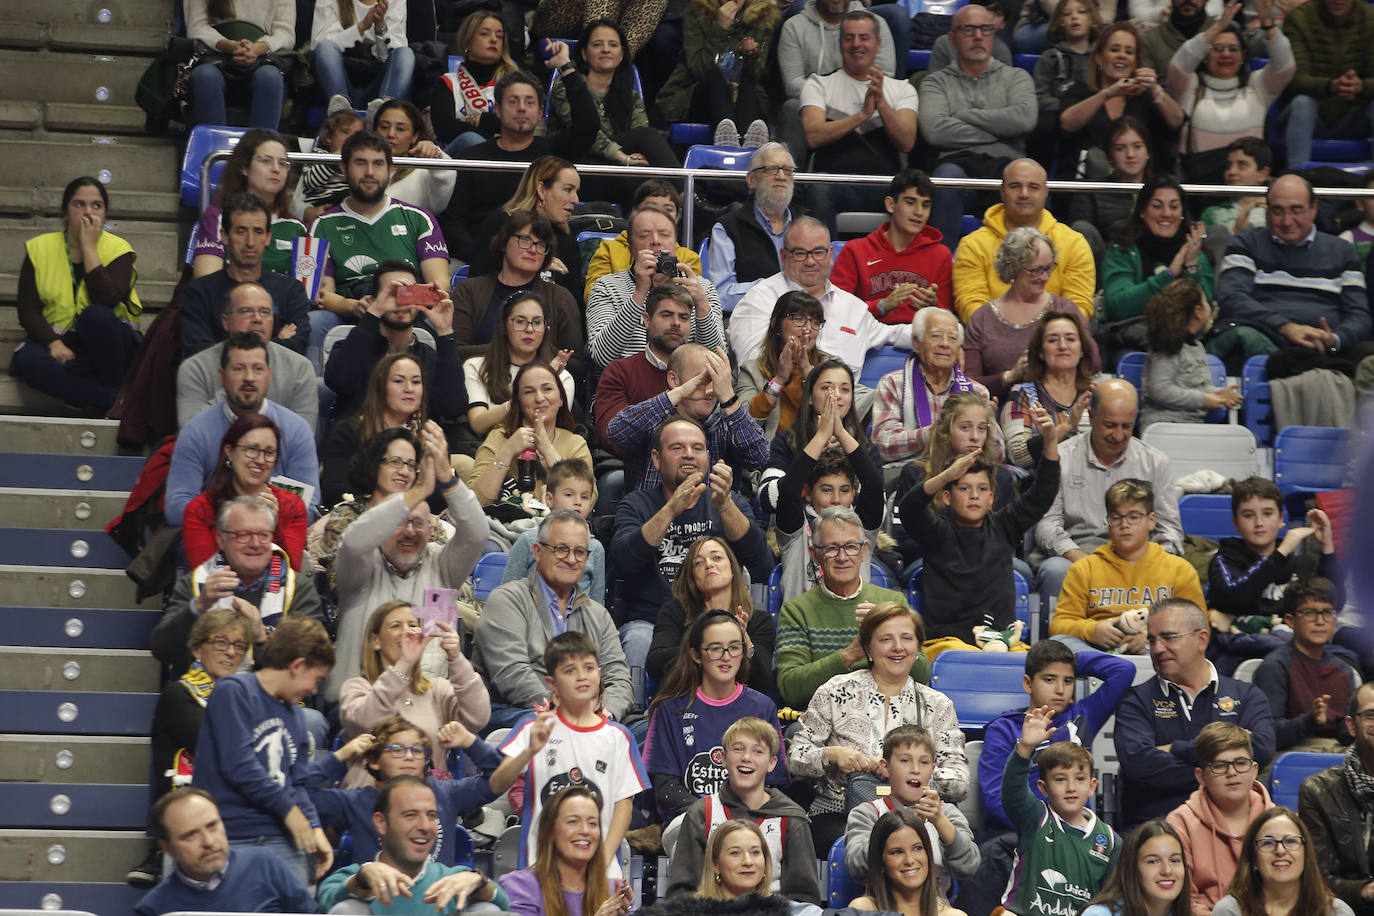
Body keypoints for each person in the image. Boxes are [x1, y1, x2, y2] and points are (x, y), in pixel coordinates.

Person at [788, 601, 967, 848]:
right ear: (868, 648)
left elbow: (959, 781)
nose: (897, 648)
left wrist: (904, 774)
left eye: (906, 638)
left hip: (915, 814)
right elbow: (795, 757)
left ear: (917, 647)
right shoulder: (834, 691)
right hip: (840, 812)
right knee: (859, 842)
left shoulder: (938, 705)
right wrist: (831, 755)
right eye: (885, 640)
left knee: (914, 841)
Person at [329, 421, 487, 700]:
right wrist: (419, 491)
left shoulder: (442, 565)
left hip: (427, 706)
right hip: (362, 704)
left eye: (419, 524)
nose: (410, 531)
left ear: (431, 529)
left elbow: (477, 532)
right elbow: (353, 542)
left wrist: (447, 479)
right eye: (401, 522)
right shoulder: (362, 564)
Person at [610, 416, 772, 681]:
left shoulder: (729, 502)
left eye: (697, 448)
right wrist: (672, 507)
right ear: (656, 459)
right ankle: (637, 719)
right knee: (639, 639)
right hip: (654, 622)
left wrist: (725, 506)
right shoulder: (635, 504)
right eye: (677, 448)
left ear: (708, 457)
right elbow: (624, 561)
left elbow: (762, 565)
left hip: (722, 621)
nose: (689, 455)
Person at [900, 402, 1061, 656]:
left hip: (1001, 642)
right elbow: (909, 508)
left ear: (991, 498)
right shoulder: (936, 532)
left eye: (982, 489)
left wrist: (1050, 441)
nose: (974, 495)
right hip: (946, 644)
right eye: (964, 488)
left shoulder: (1004, 526)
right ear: (946, 497)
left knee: (1034, 664)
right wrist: (944, 475)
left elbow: (1043, 494)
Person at [192, 617, 334, 886]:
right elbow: (239, 765)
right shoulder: (234, 691)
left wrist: (314, 827)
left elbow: (299, 784)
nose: (314, 690)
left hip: (284, 839)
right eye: (316, 679)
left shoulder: (297, 717)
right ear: (298, 665)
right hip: (231, 836)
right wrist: (289, 811)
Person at [309, 714, 550, 868]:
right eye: (396, 750)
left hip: (436, 901)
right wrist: (341, 755)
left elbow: (498, 779)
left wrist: (470, 742)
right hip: (376, 899)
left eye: (417, 751)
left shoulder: (444, 793)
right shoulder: (355, 800)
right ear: (373, 761)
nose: (408, 757)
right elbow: (303, 795)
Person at [498, 632, 649, 874]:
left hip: (601, 874)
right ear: (552, 683)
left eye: (588, 667)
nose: (581, 676)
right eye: (570, 670)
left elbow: (624, 807)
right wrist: (528, 752)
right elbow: (497, 783)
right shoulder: (532, 728)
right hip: (539, 871)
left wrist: (602, 862)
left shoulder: (618, 737)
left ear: (599, 674)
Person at [1115, 598, 1276, 825]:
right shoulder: (1136, 700)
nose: (1158, 648)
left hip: (1234, 827)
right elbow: (1140, 765)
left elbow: (1261, 748)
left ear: (1202, 639)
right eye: (1152, 640)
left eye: (1169, 638)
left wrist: (1176, 749)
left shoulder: (1246, 696)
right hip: (1159, 829)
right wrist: (1226, 766)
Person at [130, 609, 257, 887]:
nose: (231, 653)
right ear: (198, 650)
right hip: (188, 822)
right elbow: (219, 748)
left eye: (239, 646)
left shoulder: (246, 699)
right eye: (220, 642)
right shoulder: (179, 694)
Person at [1032, 378, 1185, 607]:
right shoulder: (1062, 457)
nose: (1119, 435)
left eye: (1127, 426)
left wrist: (1149, 560)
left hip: (1139, 556)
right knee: (1055, 570)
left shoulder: (1155, 462)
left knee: (1176, 570)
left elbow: (1170, 529)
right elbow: (1047, 525)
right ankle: (1060, 641)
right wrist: (1082, 560)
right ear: (1092, 417)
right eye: (1110, 425)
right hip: (1079, 553)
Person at [474, 511, 634, 728]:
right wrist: (567, 714)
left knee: (646, 729)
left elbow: (619, 678)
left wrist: (604, 713)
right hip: (521, 714)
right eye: (561, 549)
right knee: (541, 724)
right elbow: (512, 674)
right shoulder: (507, 600)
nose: (571, 559)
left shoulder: (598, 615)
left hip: (590, 718)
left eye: (579, 552)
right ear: (538, 552)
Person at [441, 64, 600, 265]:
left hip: (541, 255)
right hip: (478, 259)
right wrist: (490, 257)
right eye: (513, 101)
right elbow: (453, 224)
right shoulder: (471, 158)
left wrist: (567, 69)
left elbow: (589, 126)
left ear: (541, 111)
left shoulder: (553, 153)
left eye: (529, 102)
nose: (522, 108)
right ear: (497, 110)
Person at [644, 610, 784, 836]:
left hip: (751, 822)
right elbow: (666, 790)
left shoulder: (763, 707)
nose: (726, 657)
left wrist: (738, 819)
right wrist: (714, 817)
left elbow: (773, 783)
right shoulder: (669, 711)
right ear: (697, 655)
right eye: (716, 649)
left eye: (734, 647)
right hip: (689, 822)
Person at [152, 494, 324, 678]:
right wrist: (198, 606)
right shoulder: (197, 584)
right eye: (244, 535)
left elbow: (313, 662)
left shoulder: (297, 588)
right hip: (202, 701)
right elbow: (162, 651)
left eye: (264, 535)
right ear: (220, 539)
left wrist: (263, 638)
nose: (256, 544)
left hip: (274, 702)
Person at [10, 175, 142, 412]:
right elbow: (28, 310)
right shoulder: (40, 249)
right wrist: (53, 343)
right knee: (26, 361)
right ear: (65, 212)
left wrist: (89, 247)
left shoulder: (120, 250)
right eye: (79, 204)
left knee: (95, 316)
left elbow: (108, 298)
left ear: (105, 214)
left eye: (96, 206)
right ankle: (114, 401)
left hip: (110, 344)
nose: (88, 212)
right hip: (63, 345)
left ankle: (97, 395)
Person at [165, 330, 322, 524]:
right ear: (222, 377)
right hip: (213, 537)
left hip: (277, 539)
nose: (249, 377)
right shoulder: (195, 431)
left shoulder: (296, 430)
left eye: (258, 369)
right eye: (239, 369)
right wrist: (235, 513)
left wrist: (273, 515)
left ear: (269, 375)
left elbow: (309, 506)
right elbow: (175, 506)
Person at [1216, 174, 1374, 362]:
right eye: (1278, 211)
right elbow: (1232, 297)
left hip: (1326, 347)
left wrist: (1334, 339)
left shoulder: (1342, 250)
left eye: (1296, 210)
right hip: (1265, 337)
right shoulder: (1245, 243)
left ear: (1313, 208)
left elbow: (1359, 315)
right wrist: (1285, 327)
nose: (1287, 221)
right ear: (1267, 210)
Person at [981, 640, 1135, 832]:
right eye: (1050, 679)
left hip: (1076, 835)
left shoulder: (1083, 715)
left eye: (1068, 680)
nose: (1061, 690)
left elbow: (1124, 670)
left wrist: (1072, 659)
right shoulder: (1003, 728)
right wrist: (1048, 828)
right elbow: (994, 799)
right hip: (1021, 835)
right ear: (1028, 684)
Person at [665, 717, 821, 903]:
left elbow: (804, 897)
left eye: (758, 751)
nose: (746, 757)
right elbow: (681, 892)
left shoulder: (791, 817)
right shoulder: (701, 813)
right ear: (723, 758)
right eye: (738, 749)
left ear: (772, 763)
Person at [337, 600, 490, 788]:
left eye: (412, 625)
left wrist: (456, 658)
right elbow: (366, 721)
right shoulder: (356, 688)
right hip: (370, 800)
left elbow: (477, 718)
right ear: (376, 641)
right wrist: (403, 665)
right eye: (396, 625)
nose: (407, 631)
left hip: (428, 800)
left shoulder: (436, 690)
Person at [774, 508, 916, 709]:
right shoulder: (797, 611)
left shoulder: (893, 602)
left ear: (863, 551)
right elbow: (791, 689)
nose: (842, 557)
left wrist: (892, 634)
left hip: (889, 716)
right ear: (815, 555)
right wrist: (851, 654)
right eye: (832, 548)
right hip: (824, 721)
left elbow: (922, 673)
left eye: (850, 546)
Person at [921, 4, 1038, 248]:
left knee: (1033, 182)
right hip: (957, 164)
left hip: (1008, 165)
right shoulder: (935, 83)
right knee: (946, 179)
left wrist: (963, 115)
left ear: (993, 34)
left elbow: (1024, 119)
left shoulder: (1017, 77)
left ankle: (1034, 266)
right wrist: (1001, 130)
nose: (978, 36)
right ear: (952, 39)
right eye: (968, 30)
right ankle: (941, 270)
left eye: (985, 29)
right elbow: (935, 131)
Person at [729, 217, 909, 374]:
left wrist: (933, 325)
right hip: (778, 405)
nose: (810, 261)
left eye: (818, 252)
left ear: (830, 255)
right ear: (784, 257)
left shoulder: (854, 308)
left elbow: (896, 334)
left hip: (844, 407)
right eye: (800, 253)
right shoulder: (759, 300)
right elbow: (752, 369)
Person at [1050, 479, 1207, 654]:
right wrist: (1093, 630)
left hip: (1155, 653)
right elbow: (1059, 624)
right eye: (1116, 517)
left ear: (1151, 520)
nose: (1124, 525)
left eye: (1134, 517)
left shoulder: (1179, 570)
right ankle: (1110, 667)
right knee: (1059, 642)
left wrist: (1152, 639)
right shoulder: (1085, 568)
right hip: (1099, 652)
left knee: (1178, 648)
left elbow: (1198, 626)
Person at [310, 130, 452, 324]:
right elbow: (318, 294)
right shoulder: (321, 225)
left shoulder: (419, 218)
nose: (369, 172)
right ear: (343, 168)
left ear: (390, 169)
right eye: (360, 163)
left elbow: (441, 286)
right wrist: (351, 305)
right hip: (350, 315)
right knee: (315, 321)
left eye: (378, 163)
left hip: (408, 311)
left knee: (439, 317)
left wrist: (398, 301)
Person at [316, 775, 511, 914]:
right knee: (349, 909)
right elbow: (328, 900)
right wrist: (361, 880)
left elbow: (503, 901)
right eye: (410, 815)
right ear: (381, 822)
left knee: (487, 910)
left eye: (431, 816)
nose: (425, 826)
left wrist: (478, 883)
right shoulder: (354, 876)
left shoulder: (451, 880)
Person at [768, 371, 885, 603]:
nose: (835, 499)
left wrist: (840, 433)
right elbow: (788, 491)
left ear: (853, 493)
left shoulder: (862, 528)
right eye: (826, 490)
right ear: (808, 493)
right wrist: (821, 436)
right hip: (804, 630)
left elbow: (872, 485)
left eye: (844, 490)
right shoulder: (796, 533)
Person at [1000, 705, 1120, 915]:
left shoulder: (1110, 841)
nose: (1071, 787)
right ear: (1043, 788)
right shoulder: (1035, 818)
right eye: (1060, 779)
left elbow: (1114, 898)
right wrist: (1026, 748)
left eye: (1080, 779)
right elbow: (1012, 791)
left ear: (1092, 786)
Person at [799, 11, 917, 223]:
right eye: (849, 37)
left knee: (912, 196)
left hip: (885, 186)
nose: (856, 44)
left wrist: (881, 102)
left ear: (878, 44)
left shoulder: (902, 89)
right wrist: (862, 115)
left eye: (864, 37)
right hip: (834, 184)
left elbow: (907, 142)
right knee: (818, 191)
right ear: (840, 43)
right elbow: (813, 136)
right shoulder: (818, 84)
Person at [606, 341, 770, 493]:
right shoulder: (653, 417)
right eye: (703, 379)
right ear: (674, 379)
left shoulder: (728, 422)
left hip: (712, 521)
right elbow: (616, 433)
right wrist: (680, 392)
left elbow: (759, 457)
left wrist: (728, 397)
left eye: (715, 379)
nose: (710, 389)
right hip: (653, 519)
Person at [1209, 477, 1340, 667]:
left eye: (1268, 513)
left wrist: (1327, 547)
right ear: (1235, 522)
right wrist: (1280, 554)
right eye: (1248, 515)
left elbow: (1334, 604)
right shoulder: (1225, 560)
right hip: (1239, 652)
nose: (1259, 522)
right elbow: (1234, 597)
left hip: (1292, 651)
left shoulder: (1299, 564)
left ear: (1281, 519)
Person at [323, 260, 466, 430]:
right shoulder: (351, 348)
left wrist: (445, 331)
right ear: (373, 301)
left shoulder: (429, 357)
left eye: (409, 293)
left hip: (416, 449)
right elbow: (340, 381)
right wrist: (374, 313)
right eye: (393, 293)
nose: (401, 302)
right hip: (358, 446)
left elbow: (453, 408)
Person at [964, 226, 1100, 401]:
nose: (1045, 277)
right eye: (1036, 270)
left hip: (1063, 406)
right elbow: (968, 385)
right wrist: (1010, 376)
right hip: (1001, 409)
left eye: (1049, 268)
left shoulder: (1065, 309)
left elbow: (1094, 363)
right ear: (1013, 268)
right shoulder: (982, 318)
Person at [952, 158, 1096, 323]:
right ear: (1002, 191)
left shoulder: (1074, 243)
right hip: (993, 341)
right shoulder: (973, 245)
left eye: (1033, 187)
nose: (1024, 194)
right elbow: (970, 305)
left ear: (1045, 192)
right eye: (1015, 186)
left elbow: (1078, 306)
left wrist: (1042, 337)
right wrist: (1009, 333)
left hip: (1054, 341)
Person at [133, 788, 318, 916]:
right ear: (168, 848)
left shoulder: (264, 864)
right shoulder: (154, 908)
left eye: (212, 826)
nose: (208, 841)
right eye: (190, 835)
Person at [843, 725, 980, 894]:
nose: (915, 769)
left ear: (932, 770)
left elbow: (968, 867)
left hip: (934, 908)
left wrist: (940, 822)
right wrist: (904, 827)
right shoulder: (867, 813)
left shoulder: (947, 814)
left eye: (924, 762)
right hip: (883, 908)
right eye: (905, 760)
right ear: (886, 767)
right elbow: (858, 867)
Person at [1167, 2, 1292, 184]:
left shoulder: (1257, 85)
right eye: (1217, 48)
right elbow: (1179, 64)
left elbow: (1285, 65)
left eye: (1233, 49)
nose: (1226, 54)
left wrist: (1267, 24)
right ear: (1206, 54)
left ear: (1243, 56)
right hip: (1200, 185)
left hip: (1248, 188)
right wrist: (1218, 26)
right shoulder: (1190, 86)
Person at [452, 211, 584, 381]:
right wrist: (514, 348)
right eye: (525, 240)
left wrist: (539, 348)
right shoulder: (469, 290)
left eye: (541, 244)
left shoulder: (560, 297)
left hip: (541, 389)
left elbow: (575, 365)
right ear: (503, 243)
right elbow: (455, 353)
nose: (533, 250)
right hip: (481, 383)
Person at [587, 205, 725, 368]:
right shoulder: (606, 287)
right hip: (629, 386)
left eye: (665, 234)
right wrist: (639, 294)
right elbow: (602, 356)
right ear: (631, 248)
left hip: (687, 385)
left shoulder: (702, 289)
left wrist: (702, 307)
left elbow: (717, 359)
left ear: (675, 244)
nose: (656, 241)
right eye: (644, 235)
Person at [180, 193, 313, 359]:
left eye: (258, 232)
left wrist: (224, 343)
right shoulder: (198, 292)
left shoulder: (291, 290)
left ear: (268, 237)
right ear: (225, 236)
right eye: (241, 231)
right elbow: (199, 352)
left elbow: (298, 347)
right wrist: (276, 341)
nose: (250, 241)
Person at [1165, 722, 1275, 915]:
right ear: (1201, 776)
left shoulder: (1277, 822)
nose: (1232, 772)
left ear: (1254, 769)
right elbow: (1183, 900)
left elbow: (1291, 893)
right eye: (1219, 765)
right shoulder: (1180, 823)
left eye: (1241, 763)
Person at [176, 282, 317, 431]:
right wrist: (232, 389)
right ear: (226, 321)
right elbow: (189, 431)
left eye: (265, 312)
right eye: (246, 311)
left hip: (278, 454)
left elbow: (302, 436)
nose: (257, 319)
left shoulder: (300, 368)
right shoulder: (195, 368)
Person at [646, 536, 776, 696]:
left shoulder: (758, 620)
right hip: (685, 703)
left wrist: (743, 638)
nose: (709, 564)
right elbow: (655, 663)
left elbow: (761, 681)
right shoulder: (675, 611)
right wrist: (705, 642)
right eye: (698, 562)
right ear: (692, 576)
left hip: (741, 710)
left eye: (717, 557)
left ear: (732, 568)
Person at [181, 414, 308, 570]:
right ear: (229, 451)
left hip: (275, 593)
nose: (261, 460)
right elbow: (203, 575)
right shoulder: (200, 509)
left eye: (269, 453)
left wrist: (274, 526)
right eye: (252, 449)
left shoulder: (292, 506)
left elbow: (291, 574)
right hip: (217, 590)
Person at [548, 19, 678, 171]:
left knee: (645, 141)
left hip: (615, 165)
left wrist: (631, 158)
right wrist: (622, 157)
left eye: (613, 45)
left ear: (621, 54)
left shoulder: (631, 96)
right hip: (574, 161)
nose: (605, 49)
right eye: (597, 44)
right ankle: (687, 190)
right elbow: (585, 131)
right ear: (584, 53)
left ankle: (686, 192)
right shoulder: (568, 85)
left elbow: (639, 136)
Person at [1057, 24, 1184, 179]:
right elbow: (1066, 124)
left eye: (1129, 51)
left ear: (1136, 62)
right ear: (1098, 57)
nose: (1122, 55)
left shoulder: (1146, 98)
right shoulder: (1080, 91)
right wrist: (1107, 94)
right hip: (1082, 187)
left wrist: (1156, 89)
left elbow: (1177, 121)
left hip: (1138, 190)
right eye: (1114, 49)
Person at [830, 169, 953, 325]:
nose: (919, 212)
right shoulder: (855, 251)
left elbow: (947, 319)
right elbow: (837, 310)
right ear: (890, 204)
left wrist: (934, 307)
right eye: (910, 202)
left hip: (919, 340)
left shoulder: (940, 255)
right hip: (866, 334)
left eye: (926, 205)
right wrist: (882, 306)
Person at [319, 352, 441, 507]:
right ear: (380, 388)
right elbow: (334, 488)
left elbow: (440, 497)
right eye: (398, 381)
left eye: (416, 382)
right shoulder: (348, 431)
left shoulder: (431, 437)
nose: (409, 389)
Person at [466, 361, 592, 510]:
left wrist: (548, 450)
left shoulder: (575, 444)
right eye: (529, 391)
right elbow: (473, 504)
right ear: (518, 402)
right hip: (505, 530)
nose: (539, 398)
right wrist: (507, 452)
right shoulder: (500, 437)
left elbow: (585, 504)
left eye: (547, 389)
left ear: (561, 399)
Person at [872, 307, 988, 468]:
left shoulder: (977, 392)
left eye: (953, 338)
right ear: (916, 343)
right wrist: (934, 433)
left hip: (965, 475)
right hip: (910, 473)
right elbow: (883, 446)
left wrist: (989, 425)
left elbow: (997, 453)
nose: (945, 344)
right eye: (936, 336)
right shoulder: (892, 384)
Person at [1253, 577, 1357, 754]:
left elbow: (1347, 734)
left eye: (1327, 612)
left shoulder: (1343, 670)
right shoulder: (1275, 666)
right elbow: (1267, 735)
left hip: (1337, 756)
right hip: (1289, 757)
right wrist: (1311, 720)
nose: (1320, 621)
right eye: (1309, 613)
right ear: (1290, 620)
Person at [467, 159, 589, 308]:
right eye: (568, 190)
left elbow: (571, 306)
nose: (576, 200)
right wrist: (533, 265)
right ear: (542, 190)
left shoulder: (568, 242)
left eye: (576, 192)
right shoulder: (501, 225)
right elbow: (477, 285)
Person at [656, 0, 778, 149]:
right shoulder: (698, 12)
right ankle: (729, 144)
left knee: (750, 78)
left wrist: (751, 55)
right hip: (700, 94)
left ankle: (743, 146)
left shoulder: (762, 16)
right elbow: (699, 68)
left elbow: (758, 73)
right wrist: (720, 29)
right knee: (714, 75)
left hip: (745, 96)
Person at [497, 785, 634, 916]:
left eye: (592, 823)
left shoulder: (614, 892)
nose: (585, 831)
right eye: (573, 822)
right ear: (550, 831)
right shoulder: (520, 887)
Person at [592, 283, 698, 452]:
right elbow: (612, 437)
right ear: (647, 320)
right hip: (636, 469)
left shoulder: (701, 374)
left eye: (684, 317)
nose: (676, 323)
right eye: (666, 315)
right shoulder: (619, 372)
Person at [1298, 681, 1374, 916]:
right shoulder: (1317, 791)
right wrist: (1366, 891)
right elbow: (1316, 879)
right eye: (1371, 714)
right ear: (1352, 725)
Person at [190, 130, 306, 280]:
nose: (276, 169)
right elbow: (207, 285)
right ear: (245, 167)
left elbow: (306, 290)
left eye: (282, 163)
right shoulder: (217, 217)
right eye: (266, 161)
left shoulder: (296, 227)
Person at [1102, 178, 1213, 329]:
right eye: (1157, 206)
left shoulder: (1194, 251)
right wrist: (1169, 274)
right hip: (1133, 337)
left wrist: (1191, 266)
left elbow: (1205, 313)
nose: (1166, 213)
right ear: (1142, 210)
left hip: (1186, 338)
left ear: (1182, 213)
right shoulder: (1122, 248)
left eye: (1174, 207)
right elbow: (1118, 306)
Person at [1277, 0, 1374, 174]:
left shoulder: (1371, 19)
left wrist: (1361, 86)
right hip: (1311, 116)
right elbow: (1293, 79)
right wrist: (1331, 86)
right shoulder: (1299, 18)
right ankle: (1298, 178)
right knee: (1303, 103)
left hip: (1354, 115)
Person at [734, 291, 841, 440]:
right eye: (798, 319)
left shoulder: (832, 367)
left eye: (815, 322)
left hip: (823, 447)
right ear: (775, 323)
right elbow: (744, 421)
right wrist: (779, 380)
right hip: (775, 454)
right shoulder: (753, 370)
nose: (808, 328)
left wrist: (808, 373)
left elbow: (842, 411)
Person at [706, 144, 801, 313]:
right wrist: (772, 288)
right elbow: (719, 295)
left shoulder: (806, 225)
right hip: (752, 319)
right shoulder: (727, 228)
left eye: (787, 170)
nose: (781, 176)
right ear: (751, 180)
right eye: (772, 169)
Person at [999, 308, 1097, 468]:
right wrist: (1066, 427)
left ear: (1081, 351)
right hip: (1038, 485)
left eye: (1071, 339)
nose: (1063, 346)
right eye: (1053, 340)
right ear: (1041, 352)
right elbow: (1017, 457)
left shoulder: (1094, 395)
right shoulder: (1022, 394)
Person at [1212, 807, 1355, 916]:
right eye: (1267, 843)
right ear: (1253, 858)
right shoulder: (1229, 911)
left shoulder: (1337, 912)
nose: (1280, 850)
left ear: (1306, 854)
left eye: (1291, 841)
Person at [500, 459, 606, 604]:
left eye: (584, 496)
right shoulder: (528, 541)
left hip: (578, 624)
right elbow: (506, 597)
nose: (578, 502)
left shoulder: (595, 548)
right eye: (569, 495)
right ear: (549, 499)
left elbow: (597, 607)